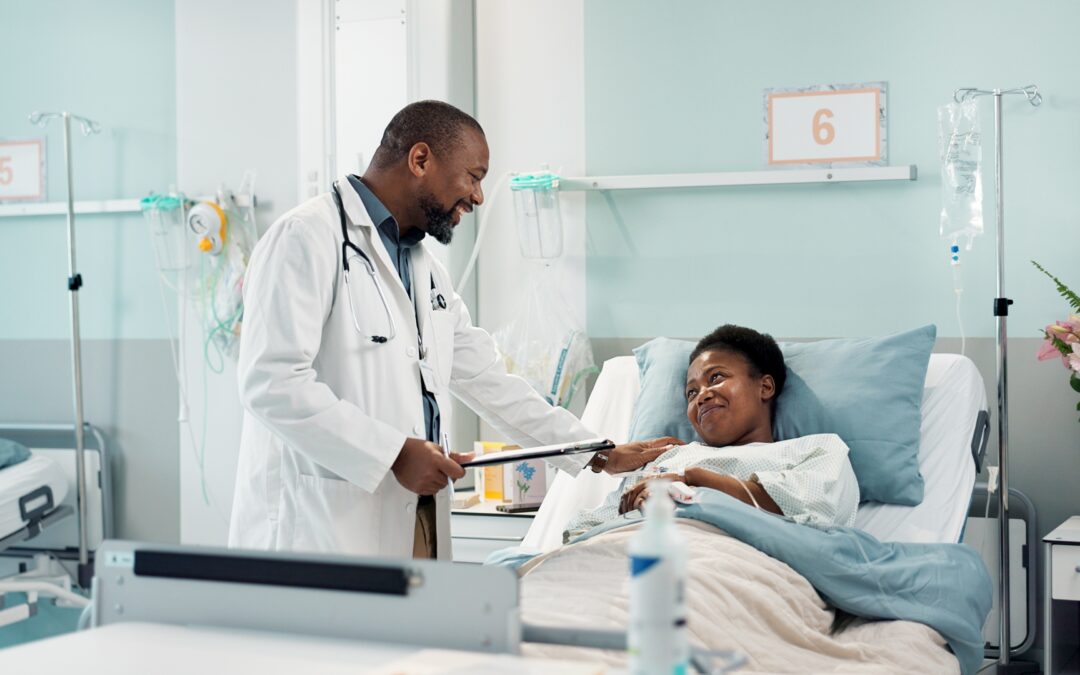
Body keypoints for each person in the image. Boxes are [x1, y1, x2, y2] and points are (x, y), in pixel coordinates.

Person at [229, 101, 668, 560]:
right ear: (420, 160)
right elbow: (271, 383)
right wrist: (394, 453)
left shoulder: (425, 268)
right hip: (317, 526)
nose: (478, 197)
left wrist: (596, 452)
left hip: (411, 517)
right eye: (473, 176)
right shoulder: (306, 237)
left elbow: (488, 381)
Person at [565, 324, 859, 540]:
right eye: (691, 393)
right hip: (625, 555)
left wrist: (691, 481)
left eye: (716, 377)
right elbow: (584, 532)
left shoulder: (817, 450)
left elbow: (812, 516)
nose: (701, 396)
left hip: (723, 562)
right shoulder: (666, 460)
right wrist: (628, 508)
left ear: (765, 386)